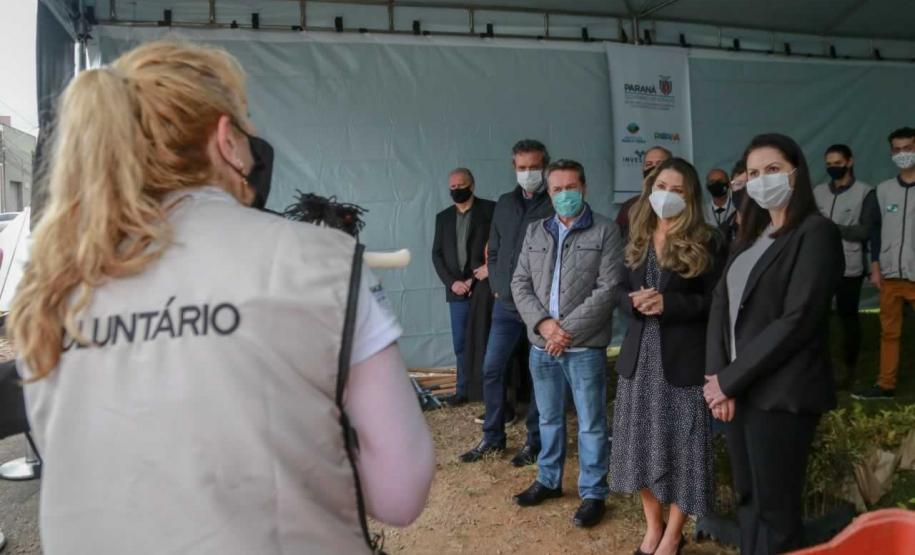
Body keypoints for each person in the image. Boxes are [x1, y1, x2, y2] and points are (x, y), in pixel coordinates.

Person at [10, 41, 435, 554]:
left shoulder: (51, 287)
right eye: (247, 131)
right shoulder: (326, 262)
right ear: (226, 139)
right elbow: (399, 493)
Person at [704, 133, 843, 555]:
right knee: (748, 499)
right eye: (753, 173)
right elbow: (721, 305)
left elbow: (798, 320)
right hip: (738, 391)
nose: (762, 180)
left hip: (781, 393)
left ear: (795, 173)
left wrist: (730, 380)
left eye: (773, 169)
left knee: (776, 509)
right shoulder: (753, 236)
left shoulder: (816, 233)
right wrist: (717, 379)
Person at [611, 157, 725, 555]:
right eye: (661, 187)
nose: (667, 196)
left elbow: (717, 303)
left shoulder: (709, 241)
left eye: (677, 190)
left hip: (682, 362)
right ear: (649, 189)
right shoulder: (636, 235)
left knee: (684, 450)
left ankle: (673, 536)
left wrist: (669, 304)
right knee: (638, 446)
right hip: (638, 362)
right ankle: (653, 526)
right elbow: (615, 291)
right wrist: (632, 302)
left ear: (690, 197)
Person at [510, 159, 624, 528]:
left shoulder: (605, 230)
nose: (564, 195)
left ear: (584, 188)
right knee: (548, 418)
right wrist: (545, 326)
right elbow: (519, 283)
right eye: (557, 189)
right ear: (549, 192)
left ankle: (593, 493)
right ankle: (548, 480)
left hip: (584, 347)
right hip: (542, 345)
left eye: (570, 187)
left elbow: (608, 288)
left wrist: (565, 332)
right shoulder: (536, 231)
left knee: (591, 423)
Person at [460, 139, 553, 466]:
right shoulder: (504, 203)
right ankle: (492, 437)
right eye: (522, 167)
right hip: (507, 306)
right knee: (492, 368)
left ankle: (535, 442)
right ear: (514, 168)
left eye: (534, 167)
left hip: (541, 309)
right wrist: (500, 288)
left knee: (539, 375)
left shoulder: (554, 203)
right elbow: (495, 249)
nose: (528, 173)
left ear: (545, 166)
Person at [854, 127, 915, 400]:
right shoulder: (883, 190)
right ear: (891, 152)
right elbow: (875, 232)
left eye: (908, 148)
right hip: (890, 275)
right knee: (889, 333)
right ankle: (885, 385)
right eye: (897, 149)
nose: (903, 154)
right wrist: (876, 266)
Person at [813, 144, 878, 388]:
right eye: (829, 164)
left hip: (850, 265)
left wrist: (831, 228)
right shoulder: (819, 192)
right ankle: (819, 365)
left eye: (837, 163)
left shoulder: (865, 192)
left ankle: (849, 367)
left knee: (847, 317)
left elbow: (865, 230)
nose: (833, 168)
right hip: (819, 264)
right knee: (817, 316)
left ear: (849, 162)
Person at [432, 167, 495, 405]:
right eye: (453, 187)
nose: (456, 190)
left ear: (472, 185)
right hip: (456, 292)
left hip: (483, 287)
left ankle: (489, 390)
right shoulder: (443, 218)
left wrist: (476, 277)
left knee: (486, 340)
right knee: (460, 343)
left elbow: (499, 246)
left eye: (461, 185)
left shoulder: (491, 210)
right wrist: (452, 283)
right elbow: (437, 254)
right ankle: (463, 390)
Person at [616, 146, 672, 240]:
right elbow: (619, 241)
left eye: (659, 164)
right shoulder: (630, 207)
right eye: (648, 164)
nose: (654, 168)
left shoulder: (683, 204)